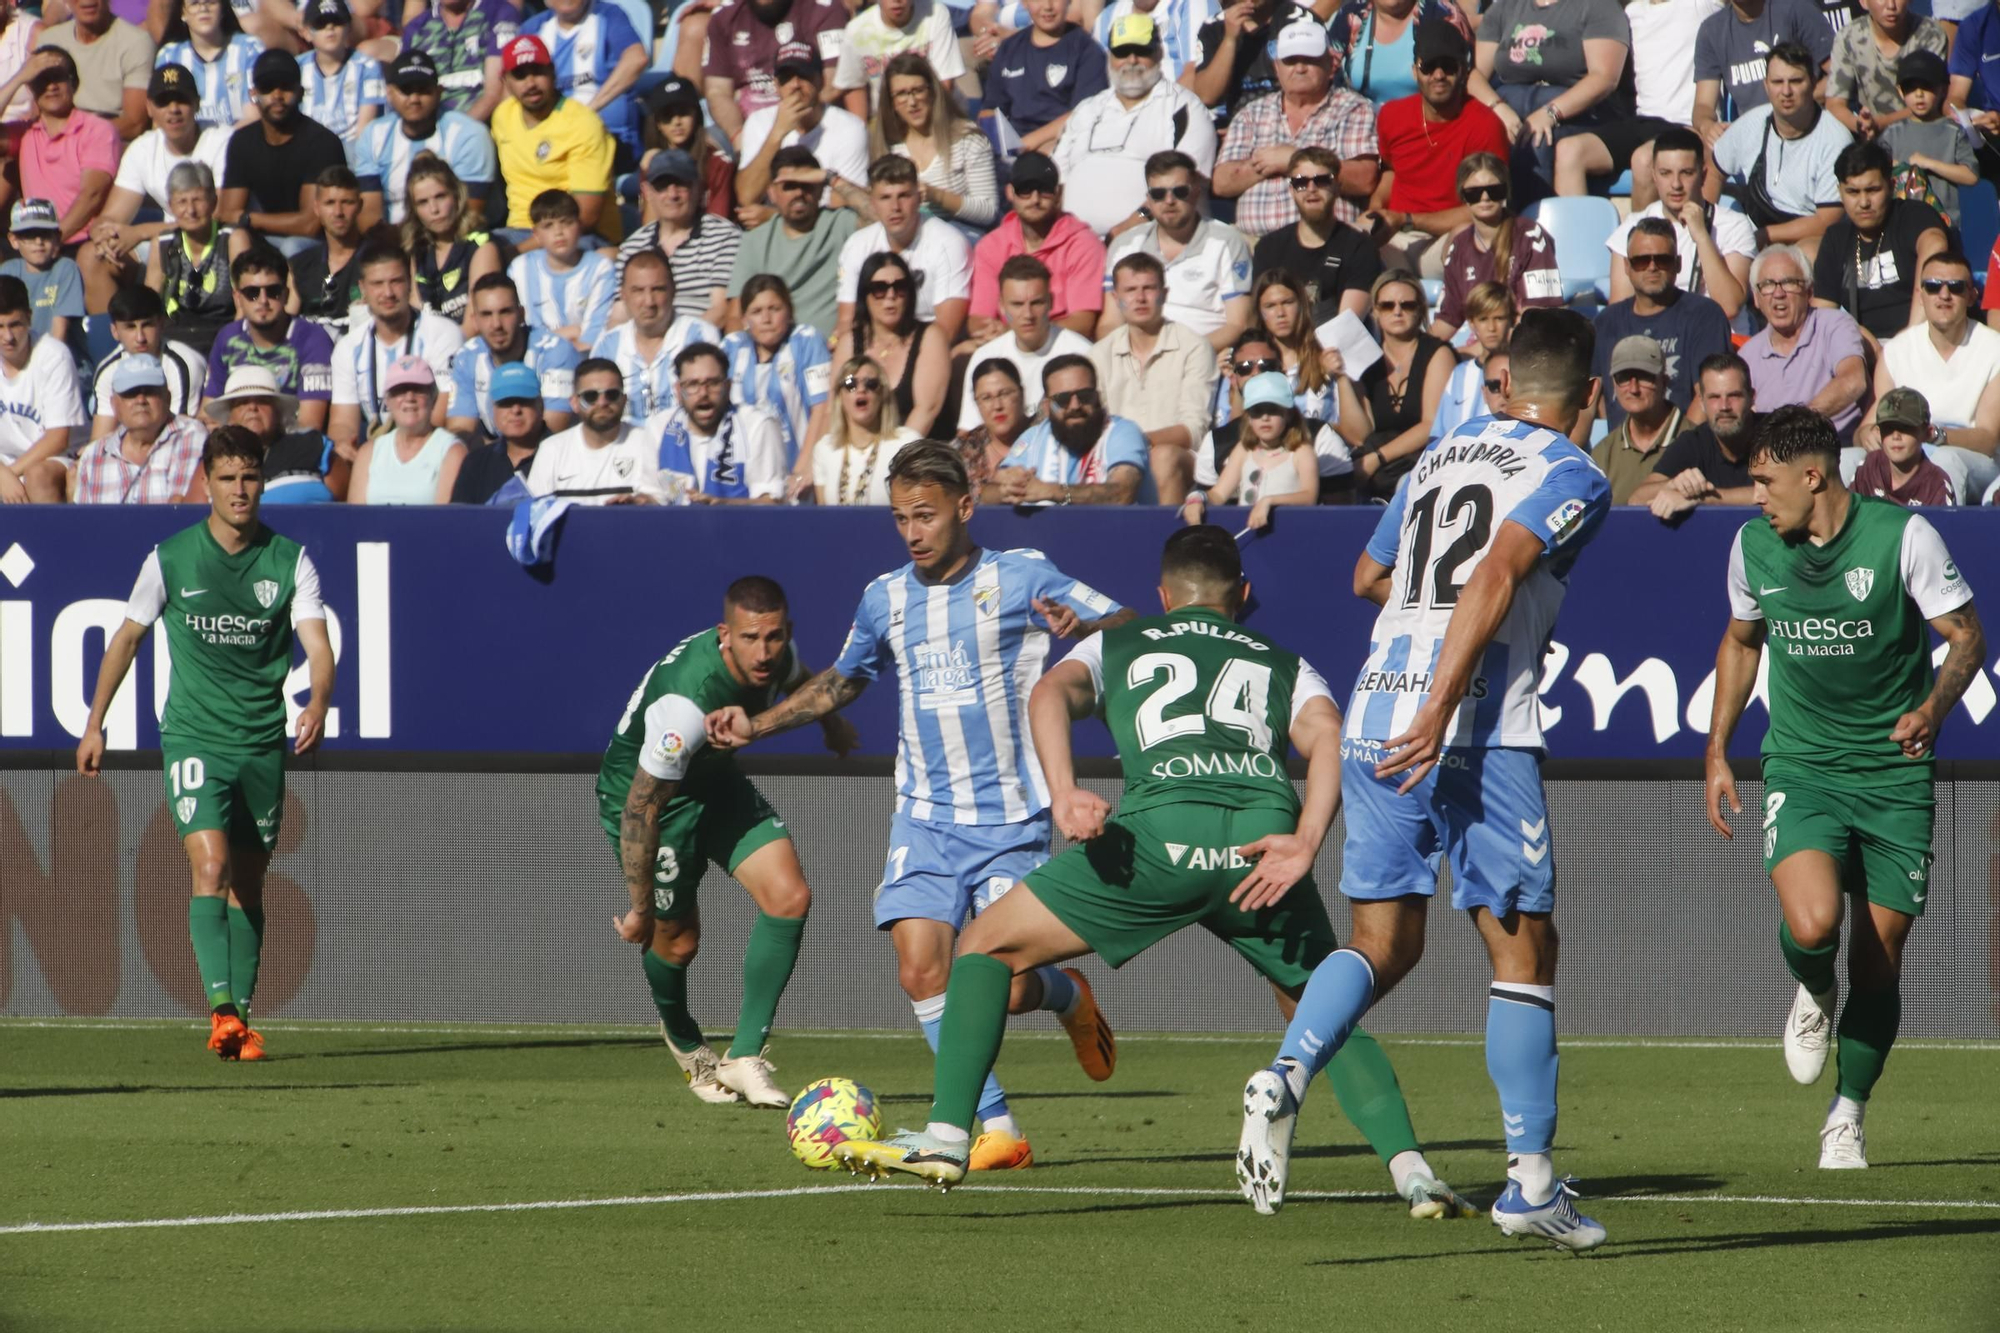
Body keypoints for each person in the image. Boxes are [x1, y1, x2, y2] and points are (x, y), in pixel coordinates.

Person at [833, 522, 1476, 1229]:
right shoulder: (1283, 660)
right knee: (1321, 1006)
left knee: (985, 944)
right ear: (1245, 594)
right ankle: (1414, 1173)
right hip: (1258, 848)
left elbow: (1048, 694)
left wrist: (1065, 790)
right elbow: (1326, 732)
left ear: (1164, 595)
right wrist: (1306, 839)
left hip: (1155, 843)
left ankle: (952, 1135)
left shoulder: (1117, 641)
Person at [1234, 306, 1611, 1250]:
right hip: (1472, 730)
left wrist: (1421, 639)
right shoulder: (1572, 471)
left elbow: (1369, 575)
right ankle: (1529, 1183)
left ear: (1503, 382)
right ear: (1589, 396)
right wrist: (1447, 701)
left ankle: (1284, 1074)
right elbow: (1493, 575)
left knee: (1382, 941)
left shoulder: (1439, 456)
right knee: (1523, 951)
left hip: (1373, 714)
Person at [709, 440, 1126, 1169]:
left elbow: (1128, 626)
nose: (912, 531)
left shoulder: (1024, 575)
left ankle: (1065, 995)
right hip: (924, 816)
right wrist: (758, 724)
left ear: (966, 506)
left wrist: (1082, 629)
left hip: (1010, 821)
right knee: (921, 969)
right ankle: (996, 1127)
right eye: (901, 517)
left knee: (1011, 981)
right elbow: (843, 679)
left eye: (926, 514)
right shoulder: (886, 597)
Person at [1704, 403, 1982, 1170]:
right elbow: (1740, 640)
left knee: (1882, 958)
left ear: (1812, 474)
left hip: (1894, 776)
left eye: (1765, 481)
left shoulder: (1903, 536)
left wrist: (1932, 705)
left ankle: (1848, 1112)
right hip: (1804, 763)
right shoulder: (1752, 546)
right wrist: (1718, 749)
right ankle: (1812, 987)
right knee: (1815, 921)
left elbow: (1966, 636)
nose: (1757, 497)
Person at [76, 423, 333, 1061]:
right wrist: (94, 721)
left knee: (249, 882)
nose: (240, 490)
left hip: (260, 744)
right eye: (227, 479)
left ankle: (238, 1022)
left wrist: (319, 699)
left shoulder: (290, 560)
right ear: (207, 485)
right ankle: (220, 1009)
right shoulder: (170, 557)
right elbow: (128, 637)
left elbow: (318, 645)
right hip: (193, 737)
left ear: (261, 481)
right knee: (211, 868)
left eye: (250, 477)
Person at [597, 579, 837, 1106]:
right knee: (678, 941)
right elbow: (642, 807)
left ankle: (745, 1057)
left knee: (790, 897)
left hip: (713, 782)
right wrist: (638, 908)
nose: (765, 652)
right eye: (751, 638)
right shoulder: (686, 706)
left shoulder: (779, 656)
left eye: (774, 636)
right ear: (726, 635)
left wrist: (834, 727)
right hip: (651, 800)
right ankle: (688, 1046)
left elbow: (810, 687)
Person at [1361, 21, 1506, 279]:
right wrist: (1376, 207)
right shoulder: (1392, 115)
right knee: (1354, 235)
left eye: (1448, 67)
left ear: (1463, 71)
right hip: (1395, 238)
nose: (1438, 75)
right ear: (1415, 71)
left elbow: (1487, 205)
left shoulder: (1485, 125)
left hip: (1446, 240)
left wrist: (1406, 219)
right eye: (1429, 67)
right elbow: (1392, 173)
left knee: (1467, 238)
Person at [81, 62, 230, 311]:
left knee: (157, 246)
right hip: (166, 240)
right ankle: (116, 343)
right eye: (163, 102)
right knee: (91, 255)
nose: (173, 110)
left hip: (214, 241)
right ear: (150, 108)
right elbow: (111, 216)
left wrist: (142, 232)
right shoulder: (143, 148)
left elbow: (218, 217)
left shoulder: (221, 139)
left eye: (181, 100)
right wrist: (103, 234)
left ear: (197, 103)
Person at [1212, 20, 1378, 238]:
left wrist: (1294, 159)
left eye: (1310, 60)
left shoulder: (1353, 108)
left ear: (1331, 64)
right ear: (1277, 67)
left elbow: (1364, 180)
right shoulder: (1251, 114)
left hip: (1326, 240)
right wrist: (1268, 164)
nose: (1300, 68)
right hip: (1254, 242)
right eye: (1290, 61)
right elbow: (1222, 183)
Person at [1057, 15, 1218, 238]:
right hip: (1078, 247)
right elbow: (1057, 182)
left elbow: (1189, 183)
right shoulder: (1086, 109)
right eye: (1122, 52)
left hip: (1152, 240)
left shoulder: (1183, 106)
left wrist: (1124, 231)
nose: (1132, 60)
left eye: (1141, 51)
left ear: (1159, 53)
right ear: (1110, 56)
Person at [1859, 250, 2000, 498]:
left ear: (1971, 296)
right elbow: (1868, 425)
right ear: (1920, 294)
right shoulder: (1896, 351)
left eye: (1955, 287)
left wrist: (1933, 436)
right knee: (1847, 460)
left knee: (1944, 462)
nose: (1944, 295)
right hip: (1904, 450)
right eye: (1933, 286)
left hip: (1972, 460)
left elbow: (1988, 440)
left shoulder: (1994, 349)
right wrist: (1867, 435)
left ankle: (1940, 534)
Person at [1091, 251, 1218, 503]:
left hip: (1181, 460)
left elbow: (1195, 429)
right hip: (1115, 458)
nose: (1140, 298)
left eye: (1149, 288)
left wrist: (1135, 443)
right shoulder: (1098, 355)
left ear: (1165, 294)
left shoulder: (1194, 346)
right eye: (1130, 290)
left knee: (1163, 457)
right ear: (1116, 298)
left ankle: (1166, 539)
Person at [1472, 0, 1632, 198]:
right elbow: (1474, 75)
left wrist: (1551, 112)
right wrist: (1497, 108)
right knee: (1481, 132)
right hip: (1509, 105)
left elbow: (1604, 78)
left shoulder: (1598, 7)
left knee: (1536, 141)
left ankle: (1534, 223)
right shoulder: (1504, 8)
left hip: (1576, 111)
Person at [328, 237, 466, 459]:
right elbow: (342, 422)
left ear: (410, 283)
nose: (388, 293)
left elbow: (442, 415)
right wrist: (344, 445)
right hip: (374, 454)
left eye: (396, 281)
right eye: (377, 284)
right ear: (363, 288)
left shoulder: (443, 334)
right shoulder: (348, 348)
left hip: (430, 447)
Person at [1591, 217, 1733, 429]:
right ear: (1627, 266)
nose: (1652, 267)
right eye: (1641, 260)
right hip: (1620, 452)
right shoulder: (1606, 322)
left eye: (1662, 260)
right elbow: (1594, 398)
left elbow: (1707, 394)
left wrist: (1675, 449)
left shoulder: (1704, 315)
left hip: (1684, 450)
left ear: (1678, 264)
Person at [1101, 151, 1252, 350]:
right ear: (1148, 199)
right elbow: (1109, 322)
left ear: (1196, 192)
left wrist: (1179, 355)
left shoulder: (1227, 241)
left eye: (1180, 191)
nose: (1169, 200)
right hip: (1136, 359)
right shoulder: (1125, 245)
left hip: (1204, 356)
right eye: (1158, 194)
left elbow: (1238, 324)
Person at [1606, 128, 1757, 322]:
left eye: (1686, 173)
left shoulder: (1733, 224)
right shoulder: (1633, 227)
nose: (1676, 184)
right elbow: (1620, 312)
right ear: (1653, 176)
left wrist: (1702, 236)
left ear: (1703, 175)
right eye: (1665, 173)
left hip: (1717, 339)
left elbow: (1729, 307)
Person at [1711, 42, 1849, 251]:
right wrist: (1708, 223)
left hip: (1810, 238)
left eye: (1795, 81)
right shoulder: (1751, 123)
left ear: (1813, 83)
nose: (1786, 91)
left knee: (1808, 252)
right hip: (1753, 230)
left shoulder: (1835, 139)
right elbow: (1713, 171)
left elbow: (1827, 220)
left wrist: (1765, 236)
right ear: (1766, 85)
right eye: (1777, 82)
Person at [1200, 328, 1364, 497]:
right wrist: (1197, 498)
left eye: (1267, 366)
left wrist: (1269, 503)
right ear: (1234, 377)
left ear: (1283, 371)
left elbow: (1339, 514)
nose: (1256, 373)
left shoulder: (1320, 439)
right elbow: (1212, 504)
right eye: (1245, 368)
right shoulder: (1216, 444)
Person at [1811, 140, 1948, 342]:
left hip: (1924, 336)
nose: (1864, 202)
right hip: (1864, 346)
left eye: (1873, 190)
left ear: (1891, 187)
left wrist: (1910, 337)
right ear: (1840, 192)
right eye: (1853, 192)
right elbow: (1823, 316)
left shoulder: (1913, 215)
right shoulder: (1835, 239)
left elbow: (1935, 247)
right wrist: (1863, 341)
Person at [489, 36, 618, 245]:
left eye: (538, 72)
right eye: (520, 75)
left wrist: (520, 251)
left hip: (576, 234)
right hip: (518, 229)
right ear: (505, 81)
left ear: (553, 72)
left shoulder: (583, 124)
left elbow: (586, 215)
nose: (530, 83)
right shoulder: (502, 116)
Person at [219, 49, 348, 256]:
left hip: (315, 245)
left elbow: (311, 224)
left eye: (286, 87)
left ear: (300, 92)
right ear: (254, 95)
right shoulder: (242, 141)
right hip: (261, 238)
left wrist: (248, 219)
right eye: (268, 88)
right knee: (235, 239)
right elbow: (227, 214)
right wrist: (245, 221)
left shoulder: (322, 142)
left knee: (291, 247)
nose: (277, 96)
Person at [833, 158, 973, 347]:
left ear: (919, 196)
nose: (895, 207)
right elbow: (847, 322)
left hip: (931, 352)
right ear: (872, 202)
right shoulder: (856, 245)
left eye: (904, 195)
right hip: (874, 349)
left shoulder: (948, 243)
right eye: (885, 197)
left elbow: (946, 332)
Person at [967, 153, 1105, 343]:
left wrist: (1014, 333)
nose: (1035, 199)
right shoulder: (991, 245)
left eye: (1044, 190)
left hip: (1062, 346)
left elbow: (1082, 323)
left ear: (1059, 193)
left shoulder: (1084, 243)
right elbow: (979, 319)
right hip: (1002, 344)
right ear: (1009, 193)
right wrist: (996, 333)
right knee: (961, 355)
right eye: (1025, 190)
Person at [1739, 245, 1867, 447]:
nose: (1778, 293)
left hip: (1833, 452)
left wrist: (1796, 425)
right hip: (1775, 460)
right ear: (1756, 298)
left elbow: (1854, 380)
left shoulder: (1833, 325)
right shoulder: (1747, 355)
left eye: (1789, 282)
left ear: (1809, 291)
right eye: (1768, 285)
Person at [726, 147, 859, 340]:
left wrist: (831, 178)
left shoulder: (841, 223)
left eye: (807, 185)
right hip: (775, 357)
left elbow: (883, 216)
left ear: (821, 189)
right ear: (771, 193)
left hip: (836, 355)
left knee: (853, 373)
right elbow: (735, 316)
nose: (799, 193)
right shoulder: (754, 240)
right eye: (789, 186)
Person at [354, 49, 497, 227]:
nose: (414, 99)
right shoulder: (373, 135)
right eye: (406, 90)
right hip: (390, 242)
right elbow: (369, 215)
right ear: (389, 93)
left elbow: (470, 214)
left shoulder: (469, 135)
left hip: (451, 240)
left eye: (423, 90)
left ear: (439, 92)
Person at [991, 354, 1158, 505]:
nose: (1075, 405)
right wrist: (1006, 488)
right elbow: (987, 493)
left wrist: (1054, 492)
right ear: (1047, 407)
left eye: (1085, 396)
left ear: (1097, 398)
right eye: (1063, 399)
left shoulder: (1122, 432)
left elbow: (1122, 494)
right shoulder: (1033, 438)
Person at [204, 245, 335, 432]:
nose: (263, 300)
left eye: (273, 291)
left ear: (286, 294)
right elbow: (208, 412)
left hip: (290, 450)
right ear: (237, 298)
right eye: (252, 293)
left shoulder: (313, 339)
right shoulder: (227, 338)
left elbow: (309, 425)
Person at [1430, 154, 1561, 341]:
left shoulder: (1530, 236)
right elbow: (1447, 319)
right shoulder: (1459, 246)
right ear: (1463, 196)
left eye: (1494, 190)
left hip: (1524, 346)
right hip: (1480, 347)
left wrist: (1481, 350)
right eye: (1474, 192)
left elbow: (1538, 318)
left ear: (1506, 192)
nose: (1485, 197)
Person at [643, 342, 790, 505]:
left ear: (728, 387)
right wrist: (636, 502)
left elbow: (772, 502)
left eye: (712, 383)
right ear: (678, 391)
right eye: (692, 384)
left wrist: (722, 506)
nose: (703, 393)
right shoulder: (659, 427)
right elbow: (654, 496)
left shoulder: (758, 425)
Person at [734, 43, 871, 214]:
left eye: (804, 76)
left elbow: (844, 209)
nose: (795, 84)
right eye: (786, 78)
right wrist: (777, 133)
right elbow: (747, 196)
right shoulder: (758, 122)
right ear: (776, 85)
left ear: (821, 81)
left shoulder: (849, 128)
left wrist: (776, 218)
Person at [956, 255, 1094, 426]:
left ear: (1051, 302)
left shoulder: (1082, 353)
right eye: (1017, 304)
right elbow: (969, 430)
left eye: (1036, 303)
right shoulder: (985, 356)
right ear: (1001, 306)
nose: (1028, 315)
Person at [868, 52, 995, 237]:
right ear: (891, 102)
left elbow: (988, 212)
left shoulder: (967, 138)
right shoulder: (887, 146)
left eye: (918, 90)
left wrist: (937, 196)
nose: (912, 102)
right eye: (902, 94)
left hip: (962, 233)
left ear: (933, 92)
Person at [1251, 146, 1379, 324]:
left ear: (1337, 187)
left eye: (1322, 181)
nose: (1311, 188)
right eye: (1300, 182)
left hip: (1334, 347)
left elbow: (1346, 326)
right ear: (1291, 190)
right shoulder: (1268, 248)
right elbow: (1262, 318)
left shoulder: (1360, 248)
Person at [1355, 269, 1453, 500]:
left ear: (1420, 310)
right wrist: (1341, 377)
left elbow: (1431, 425)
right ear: (1375, 312)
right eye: (1387, 305)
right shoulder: (1366, 359)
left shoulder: (1437, 353)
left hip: (1424, 461)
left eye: (1407, 305)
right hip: (1379, 465)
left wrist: (1377, 459)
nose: (1397, 311)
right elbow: (1361, 431)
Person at [615, 148, 740, 330]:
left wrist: (674, 344)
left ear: (698, 188)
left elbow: (722, 310)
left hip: (698, 345)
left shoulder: (724, 236)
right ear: (647, 192)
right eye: (662, 186)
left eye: (681, 185)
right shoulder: (633, 246)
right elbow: (619, 314)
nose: (672, 194)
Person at [832, 250, 950, 440]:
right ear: (865, 295)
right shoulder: (849, 343)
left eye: (900, 286)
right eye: (879, 289)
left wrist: (890, 461)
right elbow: (835, 406)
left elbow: (926, 410)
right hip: (859, 452)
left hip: (915, 455)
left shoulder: (930, 337)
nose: (891, 295)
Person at [698, 0, 850, 147]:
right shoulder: (724, 15)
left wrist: (787, 126)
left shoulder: (825, 8)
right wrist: (739, 137)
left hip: (808, 125)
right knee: (707, 142)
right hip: (746, 129)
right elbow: (717, 92)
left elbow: (833, 84)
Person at [447, 271, 579, 440]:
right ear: (475, 321)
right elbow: (460, 431)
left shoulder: (556, 350)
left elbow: (554, 429)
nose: (496, 325)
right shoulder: (466, 357)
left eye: (505, 312)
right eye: (486, 314)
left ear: (521, 314)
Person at [591, 250, 718, 424]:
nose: (649, 302)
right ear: (623, 295)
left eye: (658, 289)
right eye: (638, 291)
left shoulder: (700, 335)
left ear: (673, 290)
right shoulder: (607, 345)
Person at [517, 0, 648, 166]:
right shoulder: (533, 29)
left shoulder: (609, 16)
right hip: (551, 139)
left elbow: (636, 59)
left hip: (608, 136)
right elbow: (512, 82)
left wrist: (587, 112)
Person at [1630, 351, 1761, 515]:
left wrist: (1702, 499)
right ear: (1701, 402)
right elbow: (1636, 499)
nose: (1724, 406)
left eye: (1734, 395)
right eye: (1714, 397)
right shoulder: (1693, 441)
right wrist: (1675, 485)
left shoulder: (1775, 434)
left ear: (1752, 397)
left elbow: (1781, 494)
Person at [1181, 370, 1318, 526]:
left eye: (1273, 410)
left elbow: (1309, 497)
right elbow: (1218, 495)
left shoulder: (1301, 451)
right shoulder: (1244, 450)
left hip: (1289, 530)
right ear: (1248, 416)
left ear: (1288, 414)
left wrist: (1269, 501)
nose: (1265, 418)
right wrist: (1198, 498)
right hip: (1249, 532)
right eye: (1257, 411)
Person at [723, 272, 830, 471]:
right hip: (745, 475)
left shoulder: (808, 341)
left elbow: (822, 409)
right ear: (745, 318)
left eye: (774, 309)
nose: (766, 319)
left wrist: (804, 468)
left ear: (789, 312)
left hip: (797, 469)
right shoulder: (731, 347)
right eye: (756, 311)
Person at [74, 353, 212, 502]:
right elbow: (84, 523)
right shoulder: (93, 457)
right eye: (130, 393)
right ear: (114, 404)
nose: (140, 400)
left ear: (167, 398)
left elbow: (181, 510)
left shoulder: (192, 436)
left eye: (150, 392)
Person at [1693, 0, 1831, 149]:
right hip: (1754, 142)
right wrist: (1707, 126)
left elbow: (1841, 76)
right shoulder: (1711, 30)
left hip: (1811, 131)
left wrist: (1802, 100)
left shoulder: (1797, 10)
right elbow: (1703, 105)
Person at [17, 47, 118, 248]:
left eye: (58, 77)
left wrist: (52, 242)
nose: (51, 86)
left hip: (83, 241)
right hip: (36, 245)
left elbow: (91, 196)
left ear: (74, 83)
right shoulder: (24, 133)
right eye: (41, 79)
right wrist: (19, 79)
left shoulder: (97, 129)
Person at [526, 356, 662, 500]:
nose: (602, 402)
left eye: (612, 394)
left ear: (623, 400)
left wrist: (642, 503)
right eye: (590, 396)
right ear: (574, 403)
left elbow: (665, 502)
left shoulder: (649, 443)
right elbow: (535, 511)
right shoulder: (552, 450)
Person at [204, 363, 345, 502]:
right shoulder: (215, 456)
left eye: (262, 401)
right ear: (229, 415)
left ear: (278, 411)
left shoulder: (313, 446)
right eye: (243, 402)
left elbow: (347, 506)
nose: (253, 407)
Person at [985, 0, 1109, 155]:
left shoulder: (1087, 50)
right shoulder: (1010, 48)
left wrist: (1026, 144)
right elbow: (990, 111)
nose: (1048, 6)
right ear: (1024, 3)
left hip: (1063, 142)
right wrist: (1000, 149)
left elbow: (1085, 112)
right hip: (1014, 146)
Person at [0, 275, 84, 502]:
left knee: (37, 475)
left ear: (29, 318)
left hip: (54, 458)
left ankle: (51, 538)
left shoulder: (54, 356)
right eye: (0, 326)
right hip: (4, 465)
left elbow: (58, 438)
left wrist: (10, 475)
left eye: (15, 325)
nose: (8, 337)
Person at [1185, 0, 1321, 132]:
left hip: (1289, 125)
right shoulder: (1213, 26)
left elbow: (1310, 92)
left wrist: (1251, 130)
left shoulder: (1301, 20)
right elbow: (1206, 96)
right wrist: (1229, 40)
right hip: (1233, 125)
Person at [1876, 50, 1976, 230]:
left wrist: (1929, 164)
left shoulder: (1954, 132)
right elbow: (1875, 172)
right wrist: (1895, 167)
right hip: (1901, 225)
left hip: (1945, 225)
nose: (1919, 94)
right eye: (1911, 88)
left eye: (1927, 86)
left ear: (1943, 89)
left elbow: (1971, 176)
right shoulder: (1892, 133)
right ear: (1900, 91)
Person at [403, 154, 502, 334]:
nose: (434, 209)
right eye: (423, 202)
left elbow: (475, 325)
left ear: (457, 196)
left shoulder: (481, 246)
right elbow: (415, 310)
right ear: (414, 210)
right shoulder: (418, 251)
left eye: (440, 197)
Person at [804, 353, 923, 503]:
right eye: (850, 384)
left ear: (882, 395)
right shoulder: (824, 448)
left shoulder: (907, 443)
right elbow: (824, 516)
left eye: (871, 384)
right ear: (839, 396)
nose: (861, 390)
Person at [142, 160, 235, 351]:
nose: (191, 210)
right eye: (182, 202)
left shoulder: (232, 239)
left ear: (213, 201)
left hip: (224, 335)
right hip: (175, 336)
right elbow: (149, 303)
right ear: (171, 206)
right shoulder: (163, 243)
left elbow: (245, 302)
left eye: (198, 200)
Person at [507, 188, 614, 351]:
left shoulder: (600, 268)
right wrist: (571, 332)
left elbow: (592, 338)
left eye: (566, 222)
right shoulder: (519, 268)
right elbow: (516, 335)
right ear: (536, 235)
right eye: (548, 226)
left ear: (579, 226)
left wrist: (548, 341)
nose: (558, 232)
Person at [346, 354, 463, 502]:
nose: (409, 397)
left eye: (418, 390)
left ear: (433, 396)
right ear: (387, 401)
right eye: (400, 390)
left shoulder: (451, 452)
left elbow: (447, 519)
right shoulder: (368, 453)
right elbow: (356, 518)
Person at [95, 282, 207, 437]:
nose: (140, 338)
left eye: (147, 325)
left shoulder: (184, 364)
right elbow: (100, 437)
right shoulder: (107, 370)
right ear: (115, 331)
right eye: (130, 327)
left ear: (161, 324)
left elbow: (181, 433)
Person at [1825, 0, 1946, 137]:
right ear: (1864, 2)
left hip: (1925, 132)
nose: (1891, 6)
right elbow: (1835, 103)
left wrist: (1882, 123)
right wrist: (1861, 125)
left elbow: (1936, 98)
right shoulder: (1848, 37)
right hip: (1873, 140)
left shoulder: (1930, 34)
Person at [1591, 335, 1688, 503]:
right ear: (1613, 384)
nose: (1633, 389)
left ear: (1664, 381)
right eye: (1624, 378)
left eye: (1644, 377)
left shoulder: (1696, 440)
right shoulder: (1603, 453)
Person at [1328, 0, 1476, 106]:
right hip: (1362, 125)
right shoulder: (1351, 13)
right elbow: (1327, 75)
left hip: (1426, 123)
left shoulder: (1441, 12)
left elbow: (1464, 75)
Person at [39, 0, 151, 141]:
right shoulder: (49, 41)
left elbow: (134, 124)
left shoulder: (135, 42)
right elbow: (37, 111)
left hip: (108, 143)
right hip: (55, 142)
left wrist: (74, 137)